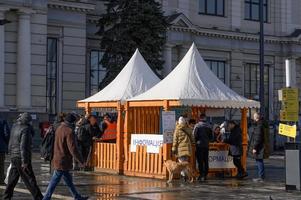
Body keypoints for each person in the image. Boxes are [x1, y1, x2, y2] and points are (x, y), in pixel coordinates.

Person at [43, 113, 88, 200]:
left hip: (58, 158)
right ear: (72, 122)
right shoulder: (69, 131)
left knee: (68, 180)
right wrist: (81, 161)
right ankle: (46, 198)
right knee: (54, 181)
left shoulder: (59, 128)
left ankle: (77, 196)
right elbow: (73, 149)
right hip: (63, 160)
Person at [4, 113, 43, 200]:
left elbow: (10, 142)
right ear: (28, 121)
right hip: (21, 157)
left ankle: (6, 197)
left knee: (12, 179)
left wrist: (11, 154)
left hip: (14, 156)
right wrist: (24, 161)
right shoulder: (25, 129)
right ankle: (38, 197)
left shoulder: (14, 127)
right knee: (29, 179)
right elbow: (23, 146)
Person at [172, 116, 194, 181]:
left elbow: (175, 140)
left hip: (180, 149)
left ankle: (184, 175)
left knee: (181, 163)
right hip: (187, 148)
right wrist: (193, 143)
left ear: (178, 122)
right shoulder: (188, 128)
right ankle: (187, 175)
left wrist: (173, 149)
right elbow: (192, 138)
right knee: (185, 163)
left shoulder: (177, 130)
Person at [193, 113, 212, 182]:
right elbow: (211, 137)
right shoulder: (209, 126)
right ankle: (206, 174)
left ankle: (201, 174)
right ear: (205, 118)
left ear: (200, 118)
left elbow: (194, 136)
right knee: (206, 160)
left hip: (199, 145)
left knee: (200, 161)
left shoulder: (197, 126)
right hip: (206, 145)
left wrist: (196, 141)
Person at [248, 112, 265, 182]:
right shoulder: (259, 125)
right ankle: (261, 176)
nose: (253, 118)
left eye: (254, 117)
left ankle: (261, 177)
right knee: (259, 161)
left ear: (257, 118)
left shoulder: (259, 126)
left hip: (258, 147)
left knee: (259, 161)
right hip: (259, 146)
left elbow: (258, 137)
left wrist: (254, 147)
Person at [0, 118, 10, 185]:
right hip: (1, 147)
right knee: (1, 165)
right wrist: (6, 143)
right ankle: (0, 180)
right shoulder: (3, 121)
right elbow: (7, 134)